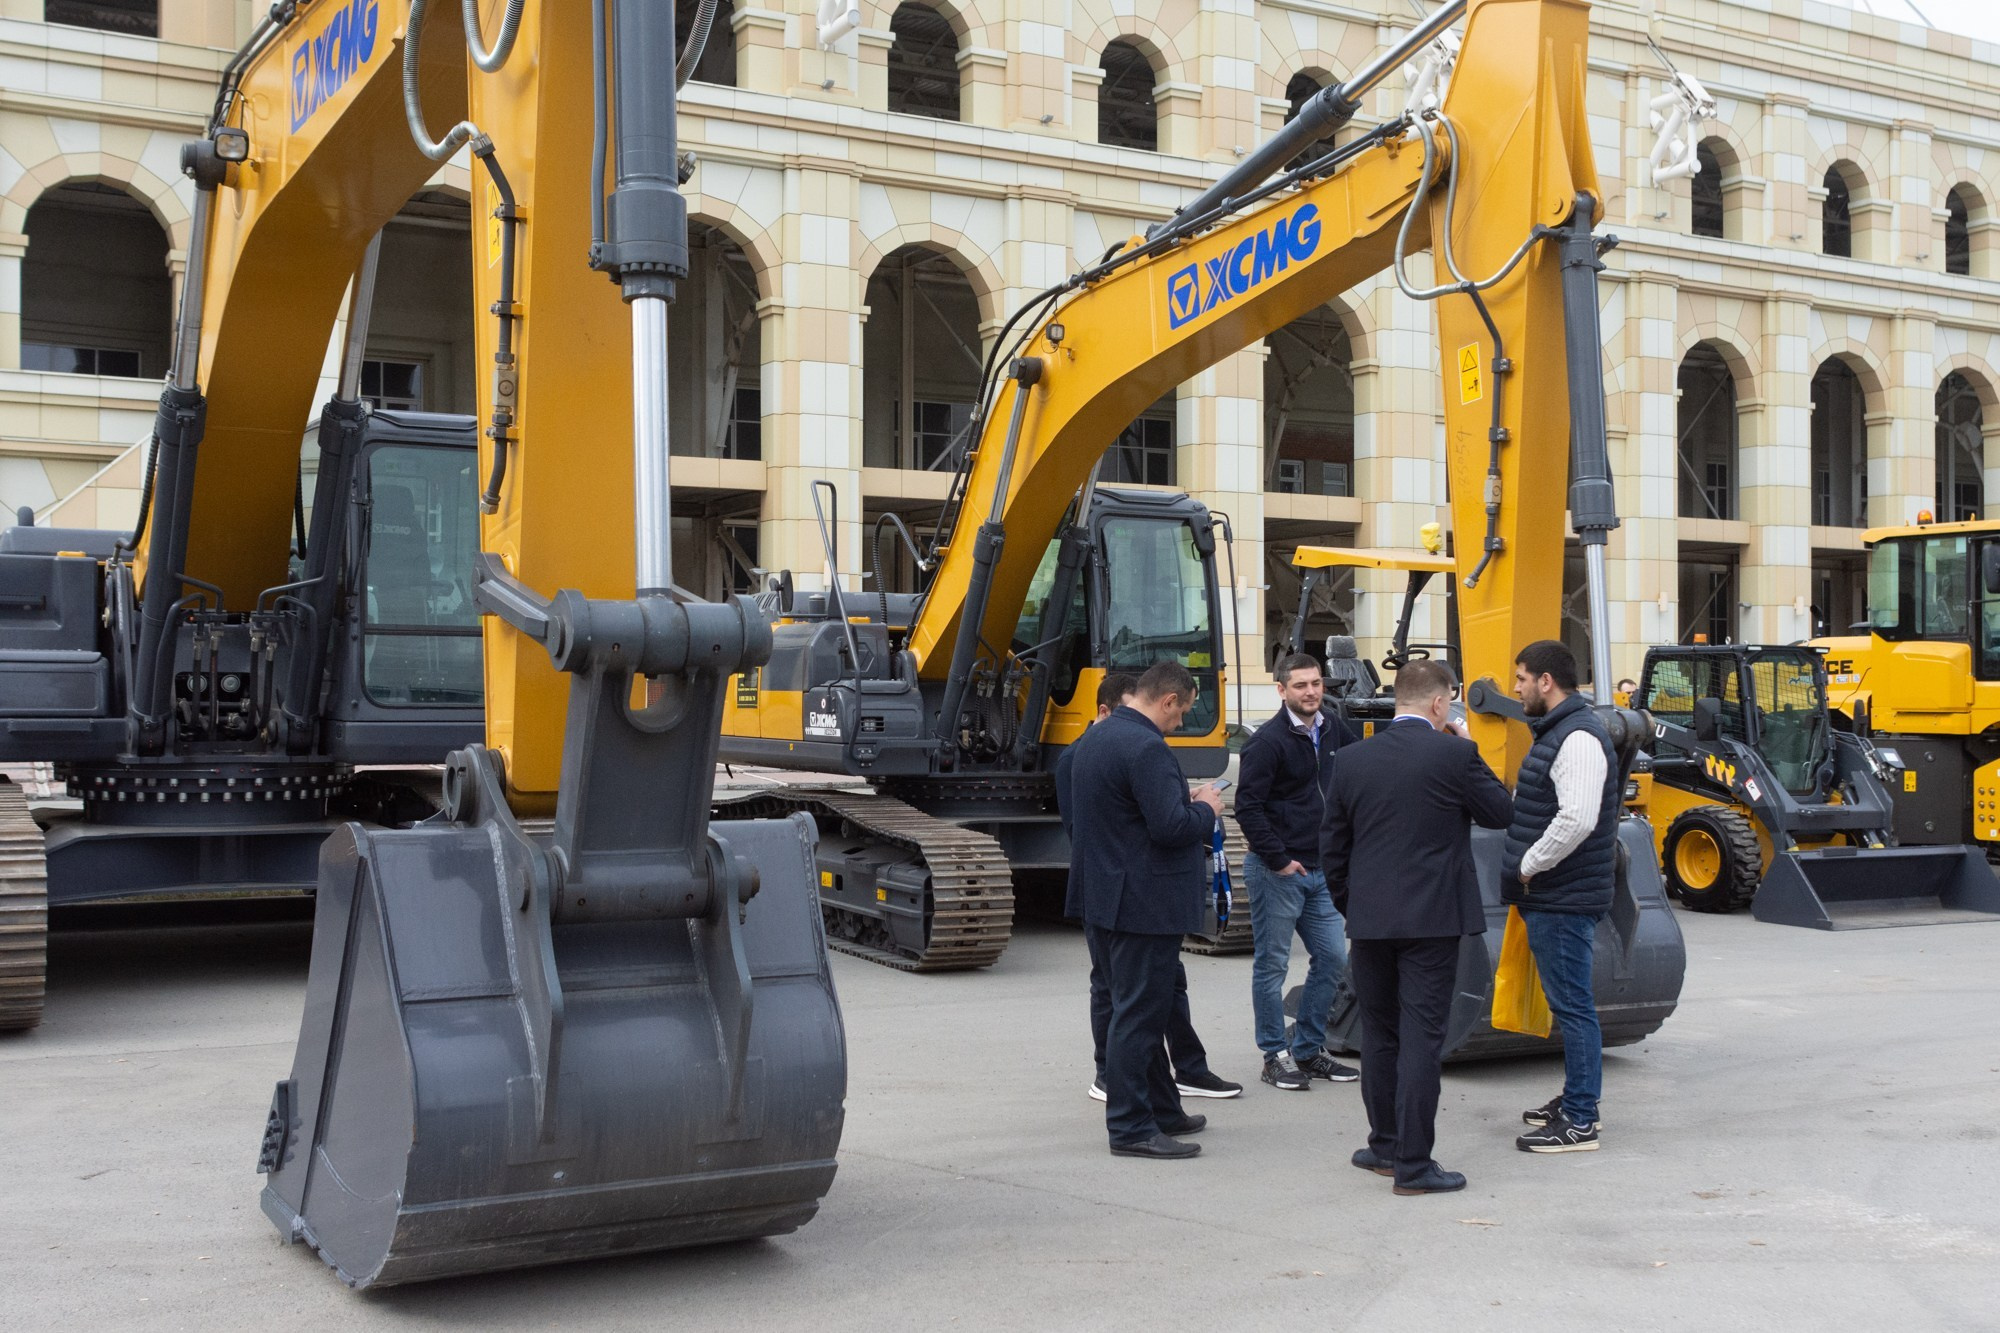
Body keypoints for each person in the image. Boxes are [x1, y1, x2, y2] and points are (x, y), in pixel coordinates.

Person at [1319, 660, 1512, 1195]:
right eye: (1451, 699)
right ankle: (1414, 1165)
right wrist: (1468, 741)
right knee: (1422, 1041)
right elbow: (1500, 812)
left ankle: (1383, 1146)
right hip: (1433, 920)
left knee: (1379, 1035)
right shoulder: (1455, 753)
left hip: (1371, 920)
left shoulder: (1352, 759)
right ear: (1438, 703)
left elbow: (1333, 847)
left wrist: (1354, 906)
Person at [1056, 673, 1241, 1104]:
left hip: (1106, 895)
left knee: (1136, 1008)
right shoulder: (1146, 747)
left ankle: (1162, 1109)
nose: (1181, 721)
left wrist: (1179, 799)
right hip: (1144, 903)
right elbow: (1171, 828)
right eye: (1184, 710)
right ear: (1169, 700)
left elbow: (1120, 818)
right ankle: (1130, 1125)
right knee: (1139, 1017)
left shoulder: (1091, 743)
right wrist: (1205, 809)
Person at [1505, 640, 1622, 1154]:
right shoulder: (1562, 731)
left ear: (1546, 682)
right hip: (1557, 893)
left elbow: (1576, 818)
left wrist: (1529, 866)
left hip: (1562, 895)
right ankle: (1577, 1098)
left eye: (1522, 679)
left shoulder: (1576, 738)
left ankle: (1580, 1120)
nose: (1515, 689)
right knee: (1569, 1004)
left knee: (1574, 1007)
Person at [1234, 652, 1359, 1091]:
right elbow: (1247, 807)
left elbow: (1359, 772)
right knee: (1272, 965)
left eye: (1316, 684)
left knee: (1333, 957)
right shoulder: (1266, 742)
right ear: (1282, 690)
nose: (1311, 692)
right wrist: (1278, 858)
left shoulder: (1334, 730)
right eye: (1301, 685)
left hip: (1323, 869)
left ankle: (1308, 1049)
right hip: (1279, 871)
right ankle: (1274, 1054)